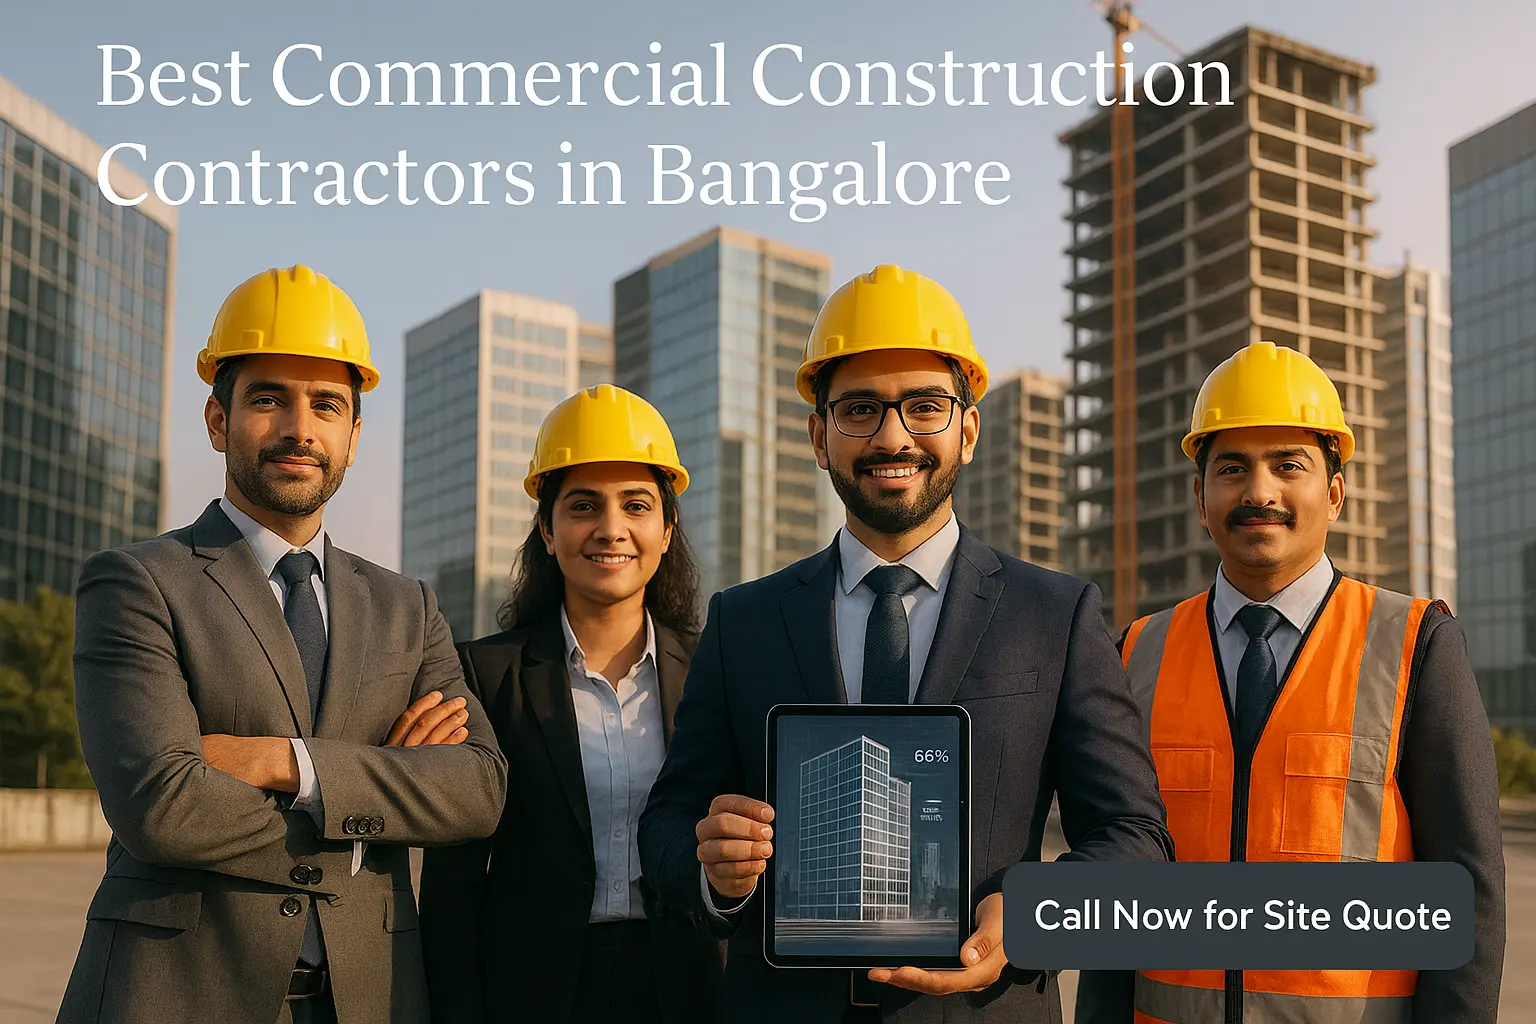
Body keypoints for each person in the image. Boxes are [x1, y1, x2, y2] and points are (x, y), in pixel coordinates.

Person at [637, 263, 1174, 1024]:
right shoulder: (743, 621)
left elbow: (1135, 835)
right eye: (860, 409)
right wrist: (713, 869)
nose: (893, 437)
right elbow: (670, 818)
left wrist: (1031, 915)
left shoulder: (1055, 614)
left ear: (968, 429)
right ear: (819, 436)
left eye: (925, 407)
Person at [56, 265, 509, 1024]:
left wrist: (286, 764)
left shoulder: (407, 607)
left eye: (326, 405)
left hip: (369, 1000)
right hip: (177, 995)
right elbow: (162, 808)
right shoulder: (137, 583)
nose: (300, 427)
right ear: (217, 420)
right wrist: (378, 806)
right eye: (268, 398)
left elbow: (477, 789)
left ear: (353, 437)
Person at [1074, 341, 1507, 1023]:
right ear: (1199, 496)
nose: (1259, 492)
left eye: (1288, 466)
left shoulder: (1415, 643)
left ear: (1334, 491)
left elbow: (1467, 886)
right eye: (1232, 469)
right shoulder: (1135, 653)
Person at [419, 384, 725, 1024]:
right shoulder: (483, 673)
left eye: (636, 506)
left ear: (667, 530)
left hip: (688, 988)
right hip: (532, 993)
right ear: (547, 530)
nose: (611, 529)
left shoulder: (714, 670)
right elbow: (454, 887)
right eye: (584, 506)